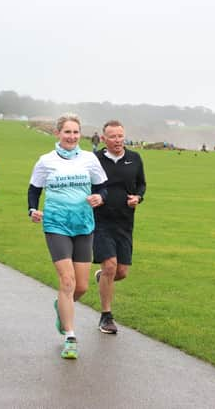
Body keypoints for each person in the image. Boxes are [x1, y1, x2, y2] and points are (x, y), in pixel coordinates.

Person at [28, 113, 107, 359]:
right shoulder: (46, 161)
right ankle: (70, 336)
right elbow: (34, 189)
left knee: (81, 286)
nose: (72, 136)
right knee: (67, 281)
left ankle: (61, 307)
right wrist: (32, 209)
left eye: (75, 132)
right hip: (56, 224)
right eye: (67, 132)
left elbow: (102, 186)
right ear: (57, 134)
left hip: (83, 225)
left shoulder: (89, 159)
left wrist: (100, 197)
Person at [92, 120, 146, 334]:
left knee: (121, 272)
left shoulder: (134, 158)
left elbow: (141, 184)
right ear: (103, 139)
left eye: (120, 136)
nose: (117, 140)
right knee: (111, 266)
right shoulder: (94, 160)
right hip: (101, 220)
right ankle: (106, 316)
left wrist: (138, 197)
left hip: (125, 221)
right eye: (112, 137)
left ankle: (102, 276)